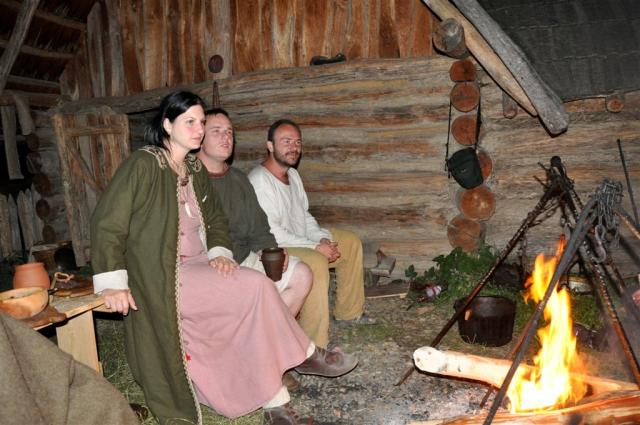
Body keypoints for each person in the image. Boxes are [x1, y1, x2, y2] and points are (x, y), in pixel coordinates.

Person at [91, 91, 358, 425]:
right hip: (164, 274)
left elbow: (216, 219)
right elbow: (107, 223)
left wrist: (219, 252)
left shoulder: (193, 169)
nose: (199, 129)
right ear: (167, 125)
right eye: (190, 122)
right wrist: (112, 283)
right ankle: (304, 354)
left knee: (258, 285)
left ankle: (277, 406)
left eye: (201, 122)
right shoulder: (144, 164)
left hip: (199, 265)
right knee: (255, 288)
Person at [248, 119, 375, 349]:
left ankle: (348, 313)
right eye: (286, 141)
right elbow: (271, 233)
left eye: (298, 142)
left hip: (300, 239)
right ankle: (315, 343)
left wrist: (320, 238)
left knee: (349, 242)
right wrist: (315, 247)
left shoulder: (293, 175)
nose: (294, 147)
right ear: (270, 146)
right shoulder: (260, 181)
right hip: (274, 248)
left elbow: (304, 215)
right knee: (316, 261)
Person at [196, 108, 312, 316]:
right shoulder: (188, 178)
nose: (226, 137)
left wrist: (270, 249)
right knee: (255, 287)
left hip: (243, 258)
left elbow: (259, 228)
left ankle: (269, 334)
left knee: (301, 274)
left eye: (229, 132)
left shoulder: (239, 179)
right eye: (217, 131)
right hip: (208, 265)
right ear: (200, 138)